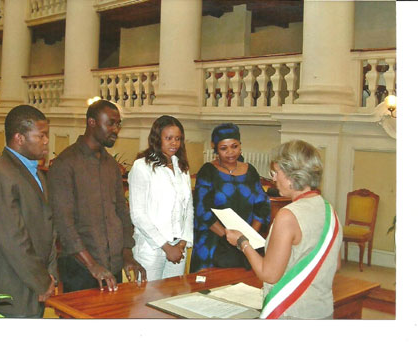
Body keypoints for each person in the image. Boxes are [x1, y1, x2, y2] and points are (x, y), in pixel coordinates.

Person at [225, 140, 343, 319]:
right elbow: (336, 264)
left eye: (276, 172)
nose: (273, 178)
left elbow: (269, 274)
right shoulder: (329, 209)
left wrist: (242, 242)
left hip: (291, 312)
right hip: (322, 311)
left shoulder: (288, 216)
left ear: (291, 175)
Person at [48, 99, 146, 292]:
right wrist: (92, 264)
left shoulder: (111, 165)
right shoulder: (65, 164)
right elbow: (64, 223)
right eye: (110, 123)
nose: (116, 129)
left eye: (118, 124)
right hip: (80, 269)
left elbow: (121, 212)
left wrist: (127, 255)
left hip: (113, 266)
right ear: (92, 122)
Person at [0, 105, 57, 318]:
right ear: (19, 138)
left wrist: (50, 276)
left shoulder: (37, 174)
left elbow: (48, 227)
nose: (46, 141)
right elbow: (13, 239)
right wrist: (42, 281)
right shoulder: (0, 175)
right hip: (11, 286)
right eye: (41, 135)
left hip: (34, 280)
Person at [190, 123, 270, 272]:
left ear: (240, 145)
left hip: (246, 244)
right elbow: (202, 211)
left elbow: (262, 205)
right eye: (224, 148)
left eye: (234, 146)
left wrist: (247, 238)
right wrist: (229, 237)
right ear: (215, 148)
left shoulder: (250, 171)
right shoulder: (208, 171)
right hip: (214, 243)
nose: (230, 152)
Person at [128, 115, 193, 281]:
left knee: (172, 298)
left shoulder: (181, 167)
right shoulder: (142, 166)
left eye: (178, 139)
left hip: (178, 246)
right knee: (147, 300)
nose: (174, 143)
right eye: (168, 138)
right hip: (151, 248)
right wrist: (165, 247)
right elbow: (138, 214)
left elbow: (189, 208)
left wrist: (182, 243)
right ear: (157, 139)